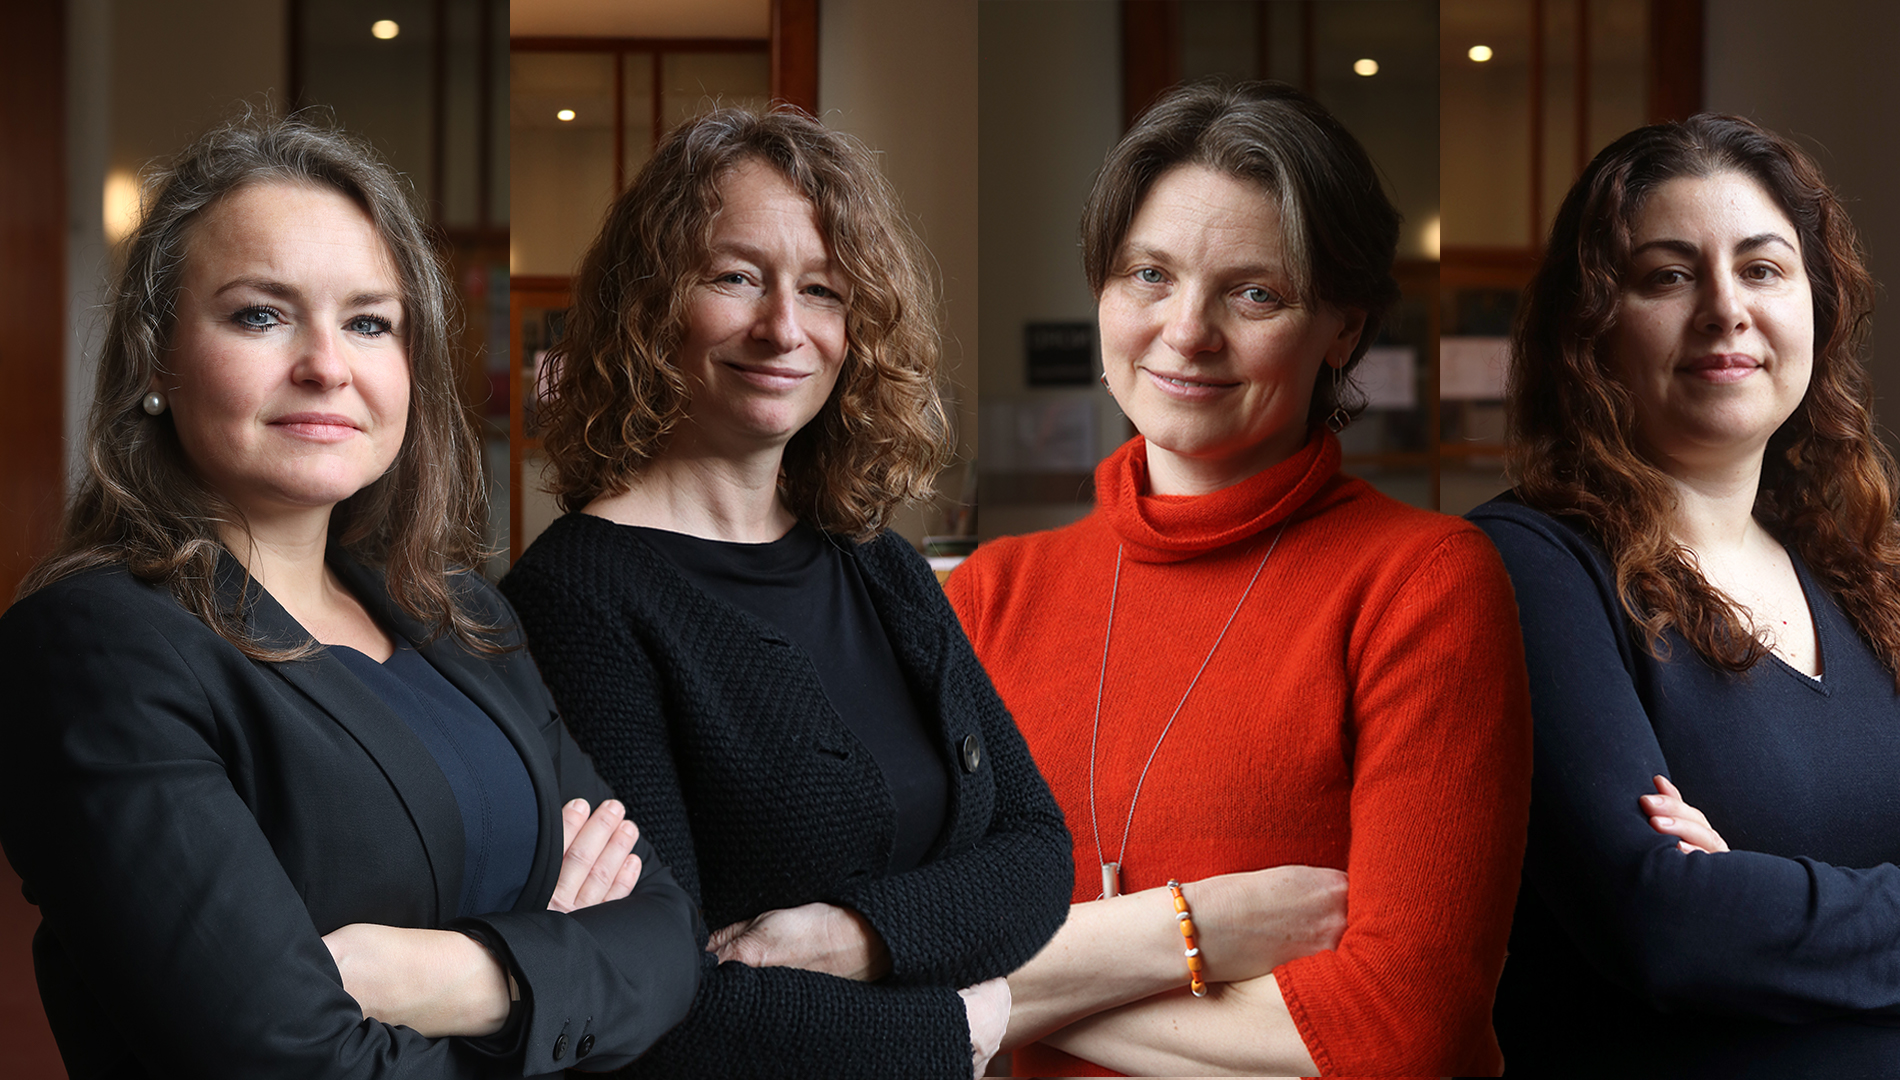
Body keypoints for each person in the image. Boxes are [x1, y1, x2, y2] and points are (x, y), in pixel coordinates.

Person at [0, 115, 701, 1079]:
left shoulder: (460, 612)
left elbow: (665, 936)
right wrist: (559, 976)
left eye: (370, 322)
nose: (328, 364)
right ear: (157, 359)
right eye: (261, 314)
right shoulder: (92, 649)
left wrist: (432, 973)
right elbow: (288, 1060)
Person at [944, 81, 1533, 1077]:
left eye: (1254, 292)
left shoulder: (1426, 584)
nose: (1186, 331)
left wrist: (986, 1002)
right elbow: (862, 961)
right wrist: (1193, 929)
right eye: (1148, 275)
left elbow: (1400, 1034)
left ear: (1343, 329)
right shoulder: (985, 599)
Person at [498, 107, 1074, 1080]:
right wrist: (959, 1029)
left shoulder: (879, 567)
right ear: (650, 306)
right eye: (735, 277)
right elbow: (662, 1001)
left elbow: (1038, 855)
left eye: (822, 290)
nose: (784, 329)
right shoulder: (574, 603)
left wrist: (851, 935)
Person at [1469, 114, 1900, 1078]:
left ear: (1818, 305)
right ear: (1590, 327)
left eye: (1762, 269)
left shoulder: (1865, 573)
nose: (1726, 310)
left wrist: (1762, 894)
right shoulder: (1525, 567)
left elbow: (1728, 924)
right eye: (1667, 276)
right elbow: (1667, 926)